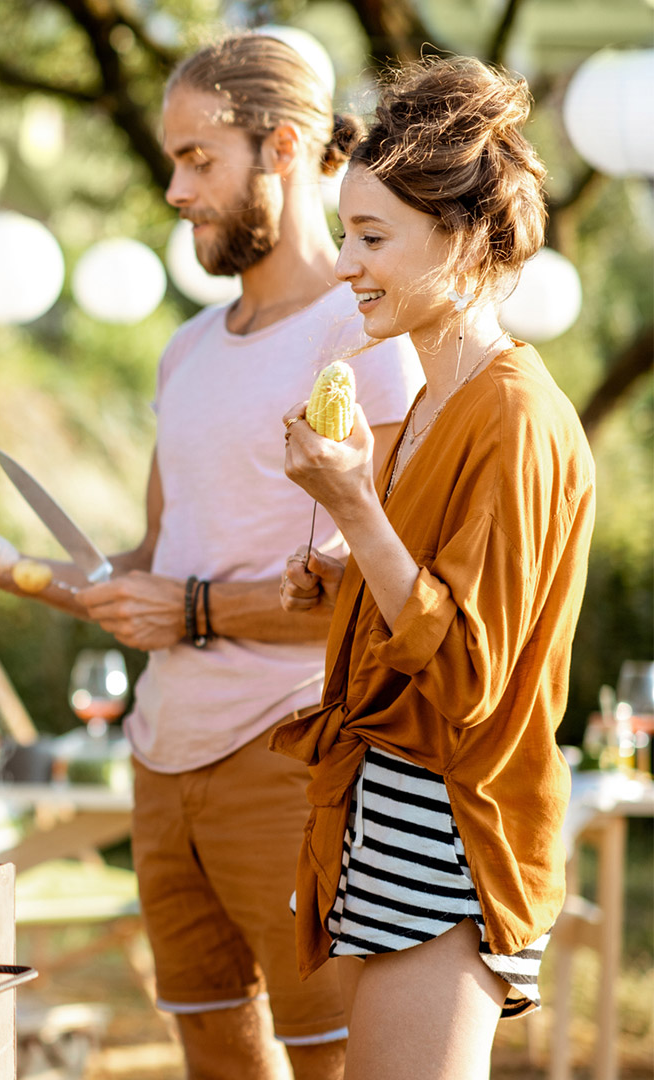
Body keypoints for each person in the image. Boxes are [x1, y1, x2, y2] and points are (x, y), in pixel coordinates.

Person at [0, 33, 424, 1078]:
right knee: (214, 1060)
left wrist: (190, 614)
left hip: (294, 760)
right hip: (161, 759)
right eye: (173, 161)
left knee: (332, 1062)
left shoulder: (361, 339)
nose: (175, 190)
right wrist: (3, 569)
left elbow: (381, 586)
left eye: (197, 159)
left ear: (282, 147)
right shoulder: (187, 350)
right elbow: (150, 565)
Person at [276, 57, 592, 1079]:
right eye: (345, 235)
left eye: (372, 238)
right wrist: (346, 571)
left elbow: (464, 674)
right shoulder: (435, 402)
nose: (344, 265)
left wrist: (354, 504)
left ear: (458, 240)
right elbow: (427, 598)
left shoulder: (512, 412)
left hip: (454, 834)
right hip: (389, 818)